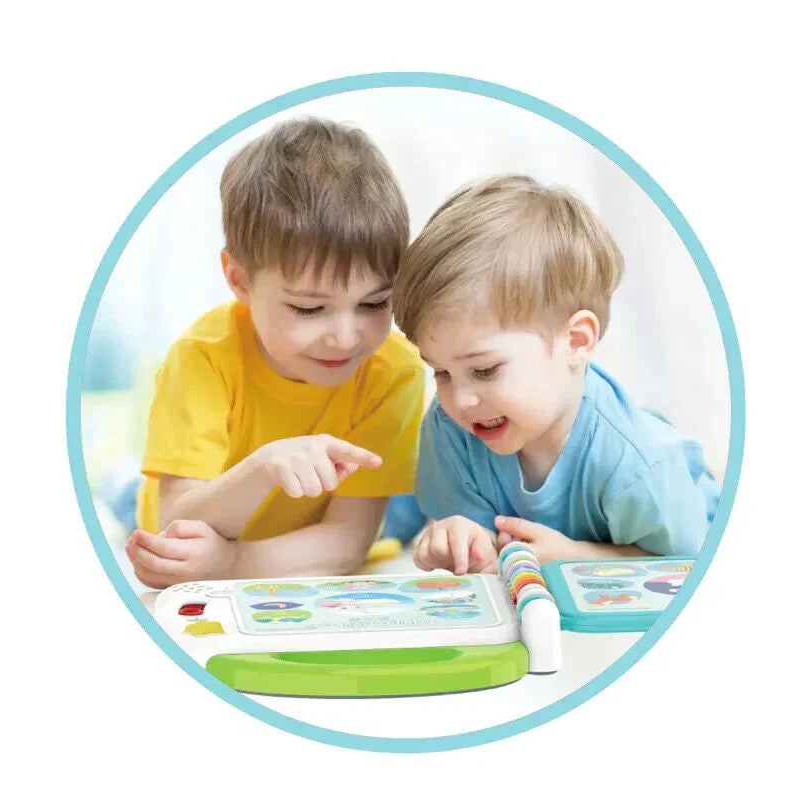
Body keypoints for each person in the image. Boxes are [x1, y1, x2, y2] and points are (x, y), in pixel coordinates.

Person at [126, 118, 425, 588]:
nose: (346, 339)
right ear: (239, 280)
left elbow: (347, 543)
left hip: (315, 523)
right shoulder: (202, 356)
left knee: (410, 512)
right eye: (308, 308)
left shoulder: (396, 369)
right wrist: (263, 469)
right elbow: (174, 527)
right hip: (203, 504)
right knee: (126, 501)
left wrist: (230, 564)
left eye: (374, 302)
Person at [392, 175, 720, 575]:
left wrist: (576, 557)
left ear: (576, 341)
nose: (458, 400)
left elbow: (689, 566)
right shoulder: (451, 430)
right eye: (440, 372)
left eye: (484, 370)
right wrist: (457, 537)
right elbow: (481, 552)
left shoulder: (637, 465)